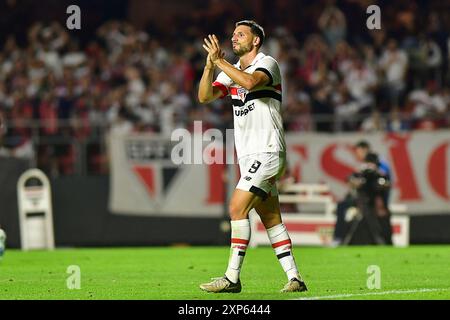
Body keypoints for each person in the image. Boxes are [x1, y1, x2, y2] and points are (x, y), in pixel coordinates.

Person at [197, 20, 307, 293]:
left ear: (255, 40)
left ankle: (232, 278)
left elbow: (248, 81)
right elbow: (204, 96)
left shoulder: (267, 63)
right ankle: (295, 278)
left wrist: (220, 61)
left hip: (267, 149)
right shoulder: (229, 70)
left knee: (236, 207)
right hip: (249, 154)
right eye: (233, 34)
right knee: (271, 218)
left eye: (241, 34)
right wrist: (210, 65)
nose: (234, 38)